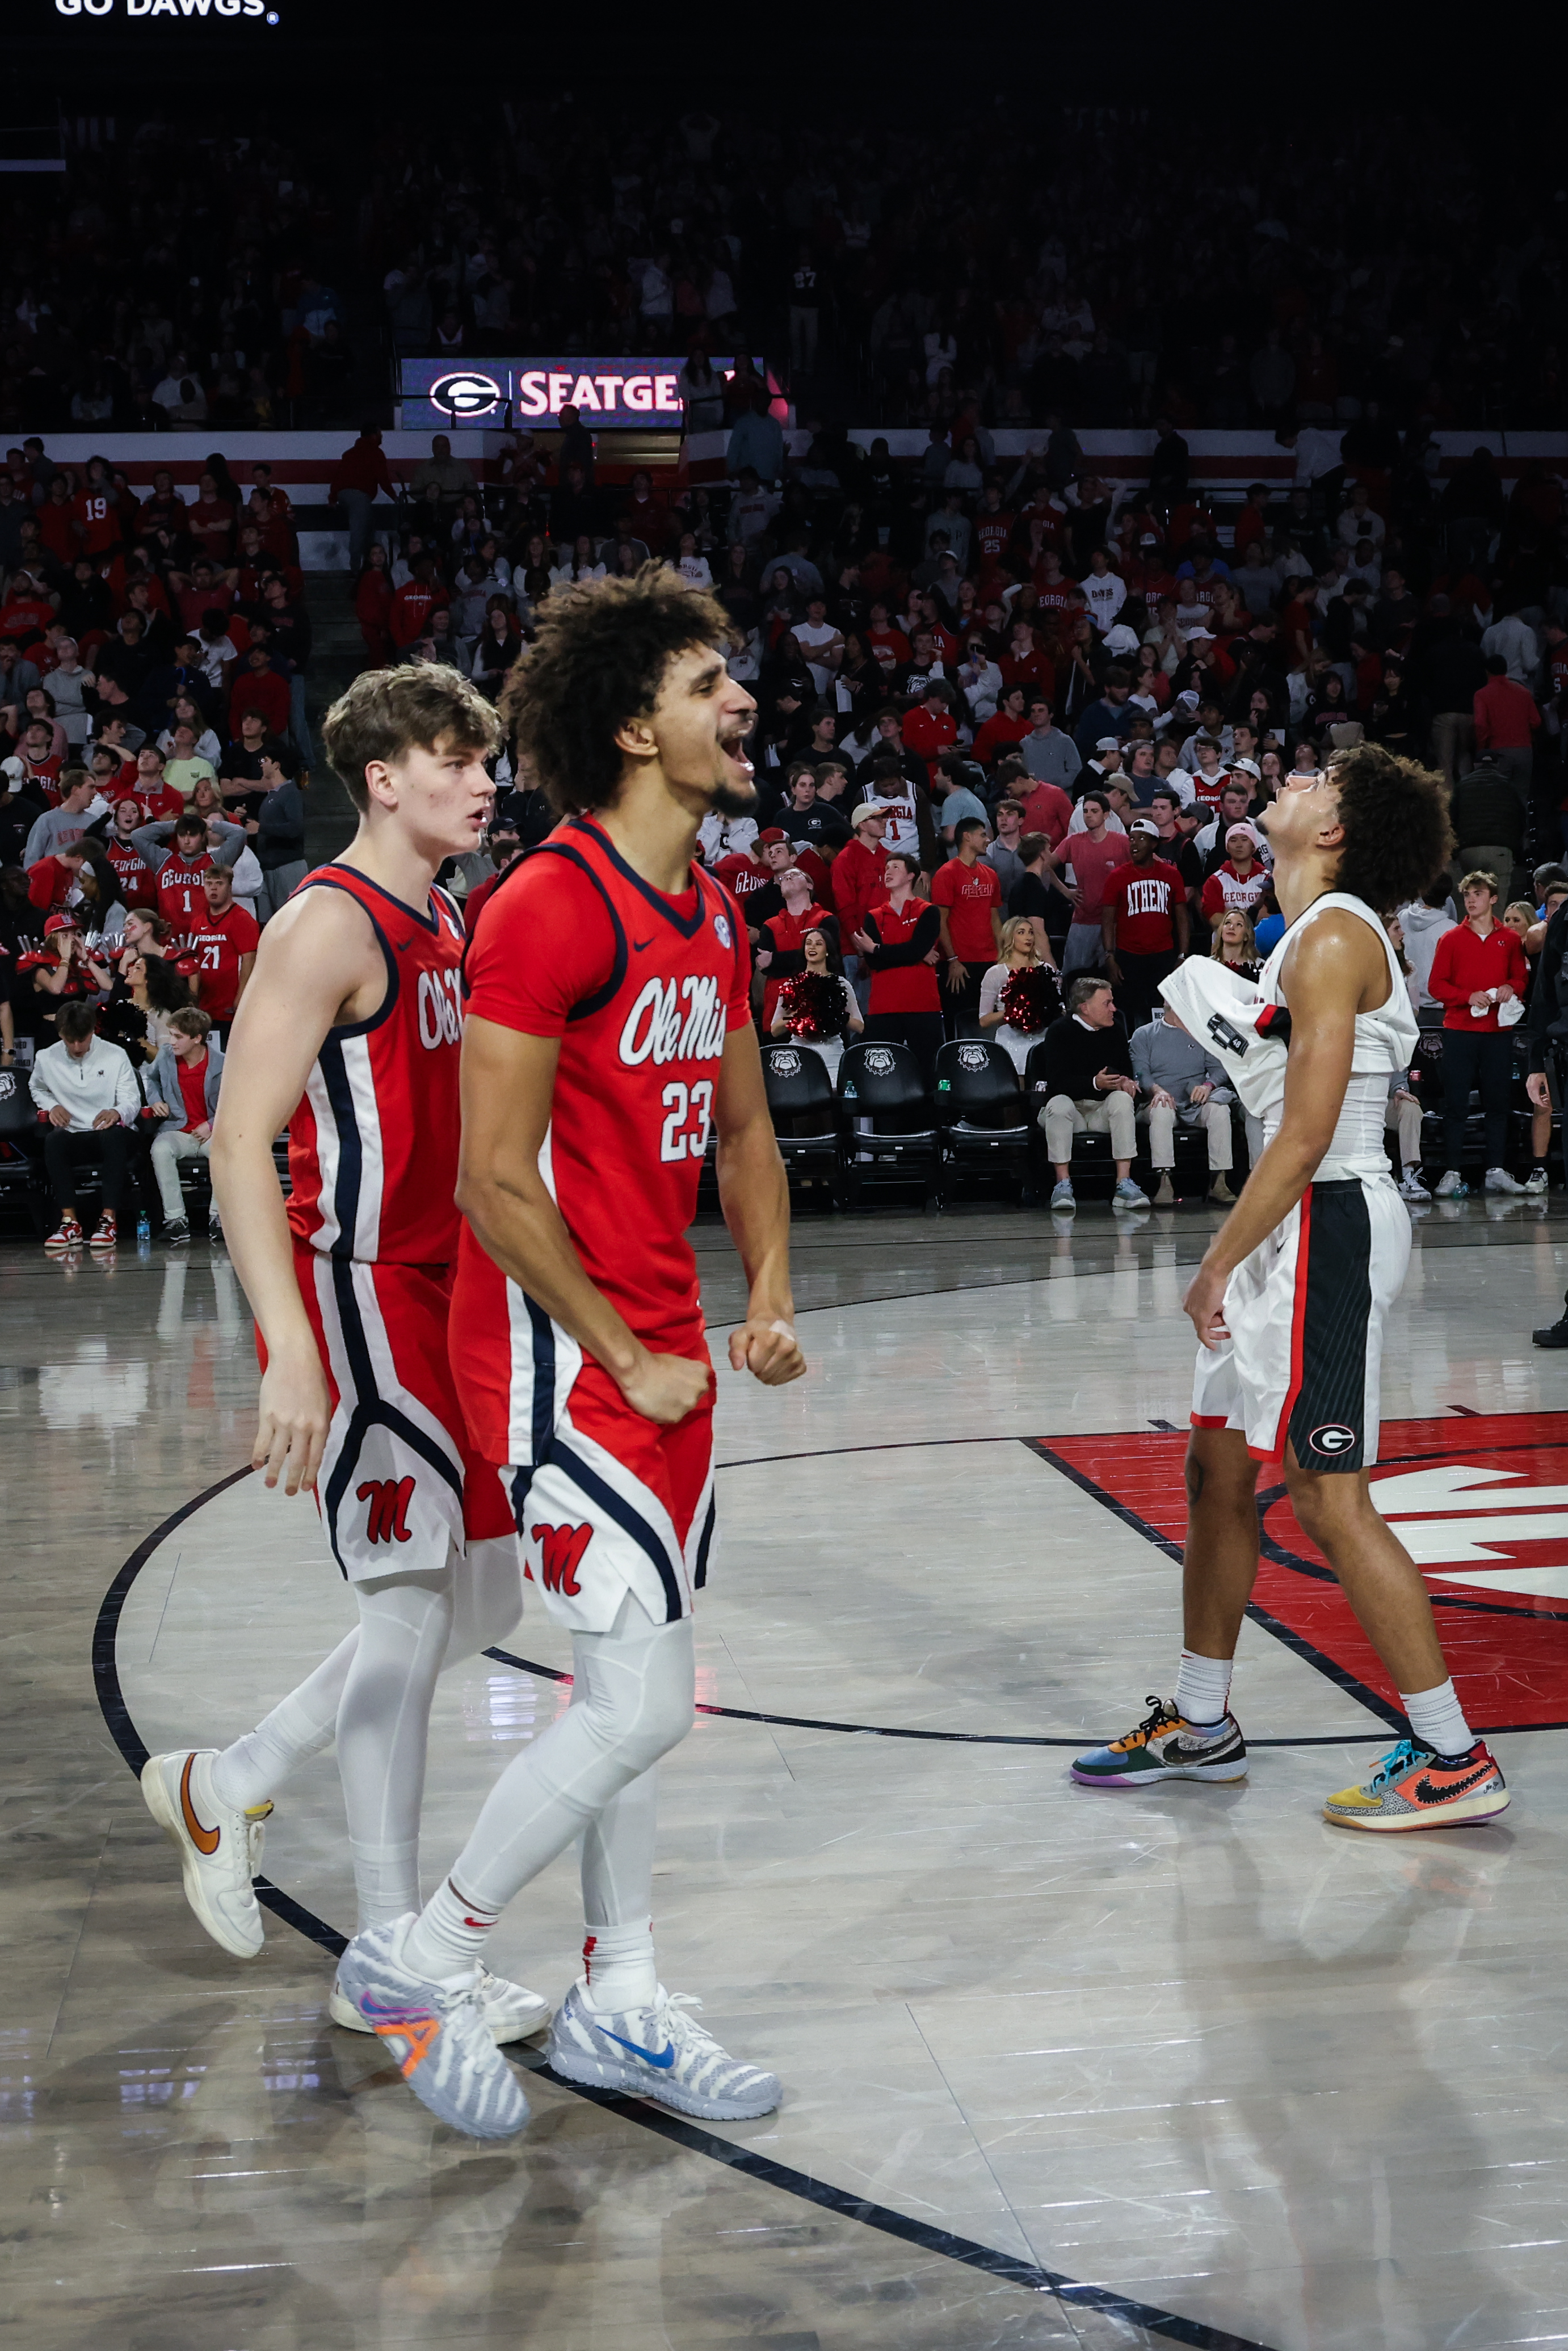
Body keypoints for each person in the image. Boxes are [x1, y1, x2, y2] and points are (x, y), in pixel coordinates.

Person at [331, 567, 804, 2142]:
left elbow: (741, 1123)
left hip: (665, 1343)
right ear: (630, 725)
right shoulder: (548, 902)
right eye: (705, 684)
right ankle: (424, 1952)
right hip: (548, 1351)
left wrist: (770, 1294)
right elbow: (490, 1179)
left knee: (631, 1681)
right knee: (644, 1698)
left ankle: (620, 1994)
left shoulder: (715, 908)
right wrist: (619, 1342)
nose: (738, 702)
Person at [140, 664, 552, 2064]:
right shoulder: (327, 922)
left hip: (452, 1290)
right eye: (456, 758)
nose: (484, 780)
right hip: (361, 1289)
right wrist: (293, 1354)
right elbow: (231, 1138)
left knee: (484, 1590)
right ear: (383, 776)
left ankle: (229, 1776)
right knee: (400, 1607)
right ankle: (391, 1960)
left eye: (486, 759)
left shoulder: (448, 910)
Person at [1074, 746, 1511, 1832]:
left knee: (1325, 1493)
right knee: (1213, 1465)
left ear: (1335, 832)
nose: (1292, 782)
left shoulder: (1330, 935)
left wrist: (1214, 1257)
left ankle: (1451, 1754)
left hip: (1326, 1215)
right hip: (1292, 1218)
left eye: (1314, 781)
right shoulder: (1300, 936)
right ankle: (1201, 1716)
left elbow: (1310, 1130)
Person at [1426, 870, 1528, 1198]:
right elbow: (1436, 985)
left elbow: (1521, 979)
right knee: (1455, 1104)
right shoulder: (1451, 939)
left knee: (1498, 1102)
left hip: (1498, 1032)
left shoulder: (1510, 940)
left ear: (1493, 898)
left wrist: (1510, 987)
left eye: (1478, 894)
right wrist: (1466, 996)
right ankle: (1453, 1171)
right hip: (1459, 1032)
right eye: (1467, 895)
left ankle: (1495, 1170)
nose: (1470, 900)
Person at [30, 998, 141, 1254]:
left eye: (83, 1039)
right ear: (61, 1035)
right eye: (71, 1040)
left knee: (112, 1137)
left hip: (110, 1133)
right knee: (54, 1140)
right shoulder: (46, 1058)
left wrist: (116, 1111)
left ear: (93, 1032)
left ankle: (108, 1220)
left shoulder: (115, 1055)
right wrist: (50, 1105)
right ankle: (70, 1222)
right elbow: (36, 1087)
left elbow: (132, 1099)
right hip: (73, 1134)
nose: (77, 1046)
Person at [1038, 974, 1149, 1213]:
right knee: (1058, 1103)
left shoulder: (1116, 1030)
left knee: (1121, 1099)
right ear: (1084, 1008)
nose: (1114, 1008)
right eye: (1107, 1003)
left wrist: (1126, 1083)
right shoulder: (1059, 1031)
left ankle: (1124, 1184)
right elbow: (1058, 1083)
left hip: (1101, 1112)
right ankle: (1063, 1185)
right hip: (1071, 1112)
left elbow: (1125, 1072)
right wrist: (1095, 1083)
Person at [1130, 1001, 1237, 1206]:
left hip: (1195, 1102)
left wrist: (1208, 1085)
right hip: (1159, 1102)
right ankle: (1164, 1181)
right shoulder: (1144, 1034)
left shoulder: (1202, 1033)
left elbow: (1219, 1069)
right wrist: (1157, 1090)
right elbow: (1141, 1073)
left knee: (1219, 1110)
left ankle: (1219, 1182)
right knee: (1161, 1109)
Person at [854, 848, 945, 1084]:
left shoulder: (929, 911)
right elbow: (878, 962)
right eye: (886, 868)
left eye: (895, 867)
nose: (888, 872)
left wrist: (876, 948)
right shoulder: (873, 916)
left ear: (911, 876)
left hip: (922, 1006)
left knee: (928, 1074)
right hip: (883, 1008)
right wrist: (913, 954)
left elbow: (913, 950)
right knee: (883, 1076)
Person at [1100, 817, 1189, 1031]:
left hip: (1163, 956)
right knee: (1130, 1013)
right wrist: (1110, 956)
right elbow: (1107, 920)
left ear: (1154, 844)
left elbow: (1182, 919)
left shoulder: (1171, 875)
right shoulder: (1117, 877)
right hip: (1128, 957)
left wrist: (1182, 955)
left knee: (1163, 1012)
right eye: (1131, 839)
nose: (1134, 844)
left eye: (1141, 838)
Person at [145, 1006, 224, 1242]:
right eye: (171, 1034)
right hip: (178, 1129)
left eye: (178, 1037)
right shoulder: (166, 1056)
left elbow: (235, 1104)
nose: (171, 1042)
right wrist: (156, 1099)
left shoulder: (222, 1064)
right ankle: (176, 1219)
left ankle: (218, 1217)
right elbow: (151, 1080)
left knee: (227, 1152)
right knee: (160, 1149)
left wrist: (211, 1124)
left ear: (197, 1038)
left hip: (213, 1132)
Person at [930, 815, 1003, 1037]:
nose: (988, 840)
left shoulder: (991, 875)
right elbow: (940, 920)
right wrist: (952, 959)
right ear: (967, 837)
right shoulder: (947, 873)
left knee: (990, 1021)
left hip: (989, 961)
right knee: (959, 1021)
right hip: (959, 964)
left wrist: (1003, 955)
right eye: (982, 835)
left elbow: (995, 918)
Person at [768, 923, 863, 1082]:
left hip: (832, 1054)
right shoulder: (790, 986)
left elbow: (859, 1026)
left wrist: (834, 1013)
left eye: (819, 944)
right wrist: (797, 1014)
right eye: (808, 943)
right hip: (800, 1054)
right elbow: (775, 1030)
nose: (813, 947)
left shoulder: (842, 984)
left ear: (827, 952)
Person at [978, 916, 1061, 1071]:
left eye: (1031, 932)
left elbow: (1059, 1008)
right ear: (1010, 937)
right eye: (1021, 933)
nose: (1028, 937)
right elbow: (984, 1020)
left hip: (1043, 1040)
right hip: (1012, 1042)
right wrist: (1015, 1011)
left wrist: (1047, 1010)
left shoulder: (1046, 970)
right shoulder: (995, 973)